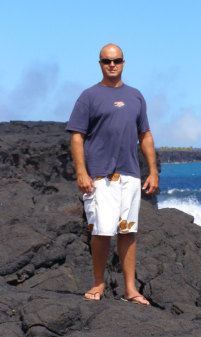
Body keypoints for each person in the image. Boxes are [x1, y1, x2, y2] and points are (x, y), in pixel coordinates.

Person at [66, 43, 158, 305]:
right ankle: (98, 283)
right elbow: (76, 135)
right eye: (107, 61)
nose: (112, 65)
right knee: (101, 231)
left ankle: (130, 289)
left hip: (130, 174)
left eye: (116, 60)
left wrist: (152, 171)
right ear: (100, 64)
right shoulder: (89, 96)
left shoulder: (136, 96)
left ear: (124, 62)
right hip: (99, 176)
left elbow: (145, 135)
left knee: (128, 231)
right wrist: (81, 172)